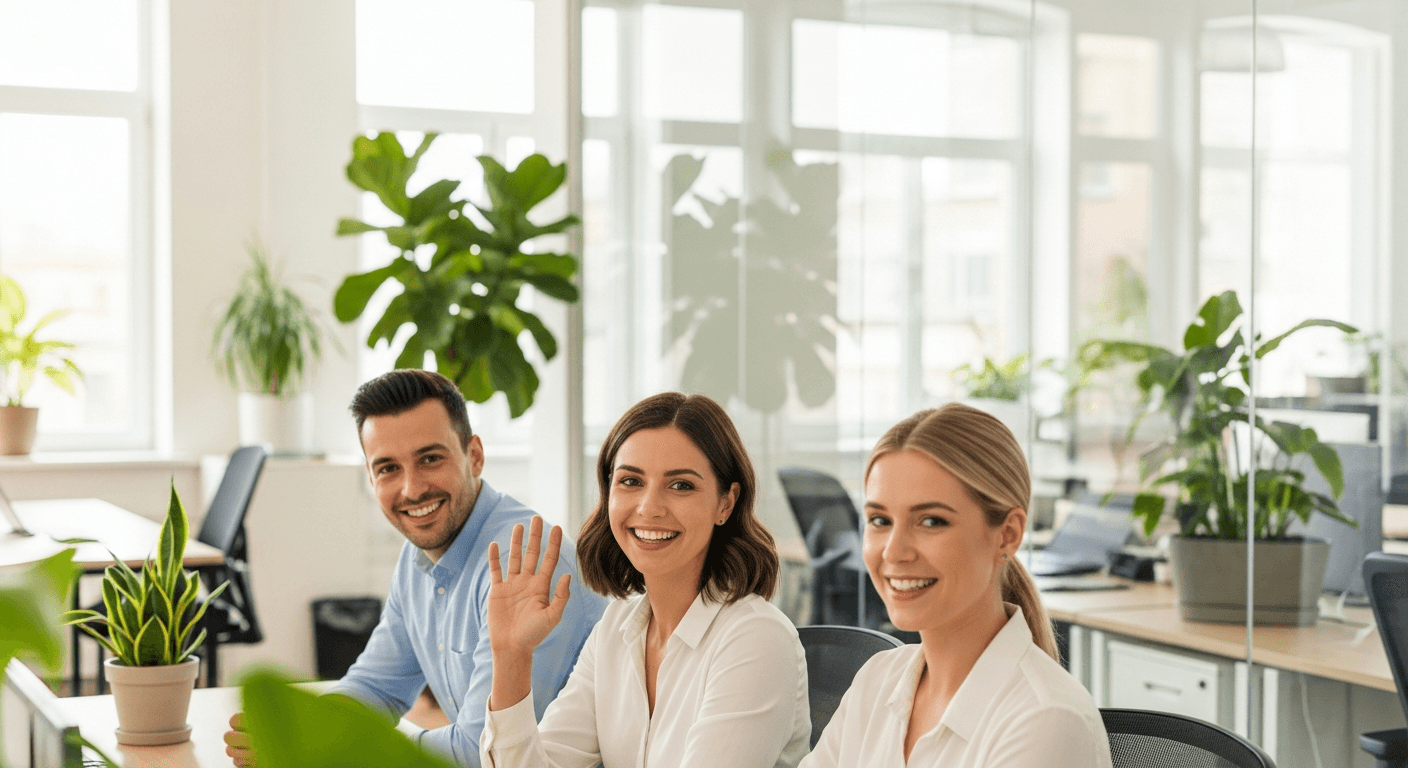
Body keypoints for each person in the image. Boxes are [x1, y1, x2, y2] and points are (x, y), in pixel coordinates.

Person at [224, 369, 607, 767]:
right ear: (371, 478)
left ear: (473, 456)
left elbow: (481, 752)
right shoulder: (419, 555)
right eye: (388, 468)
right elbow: (376, 685)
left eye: (430, 458)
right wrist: (306, 730)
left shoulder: (523, 561)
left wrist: (339, 750)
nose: (412, 489)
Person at [479, 392, 810, 768]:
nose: (649, 507)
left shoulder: (757, 639)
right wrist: (511, 657)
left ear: (725, 503)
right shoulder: (616, 629)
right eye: (631, 481)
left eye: (681, 485)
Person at [801, 403, 1112, 768]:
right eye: (880, 520)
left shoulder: (1046, 720)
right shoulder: (877, 681)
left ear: (1007, 535)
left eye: (931, 521)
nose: (894, 552)